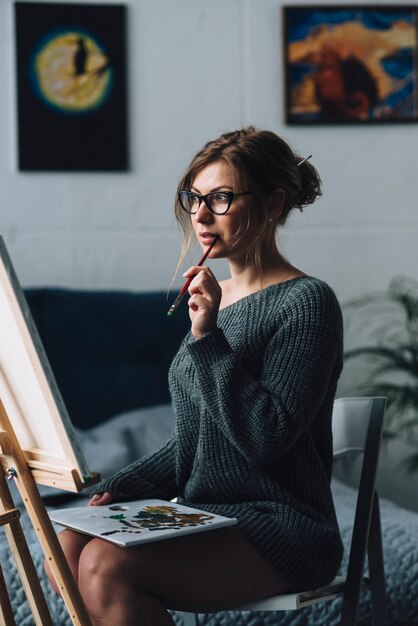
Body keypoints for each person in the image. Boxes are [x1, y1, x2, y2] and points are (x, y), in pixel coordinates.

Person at [45, 127, 344, 626]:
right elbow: (197, 436)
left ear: (272, 204)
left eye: (221, 198)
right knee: (70, 541)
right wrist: (124, 487)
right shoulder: (215, 298)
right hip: (206, 514)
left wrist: (206, 337)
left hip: (282, 525)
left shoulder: (307, 303)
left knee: (104, 565)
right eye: (194, 198)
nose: (200, 216)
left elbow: (266, 437)